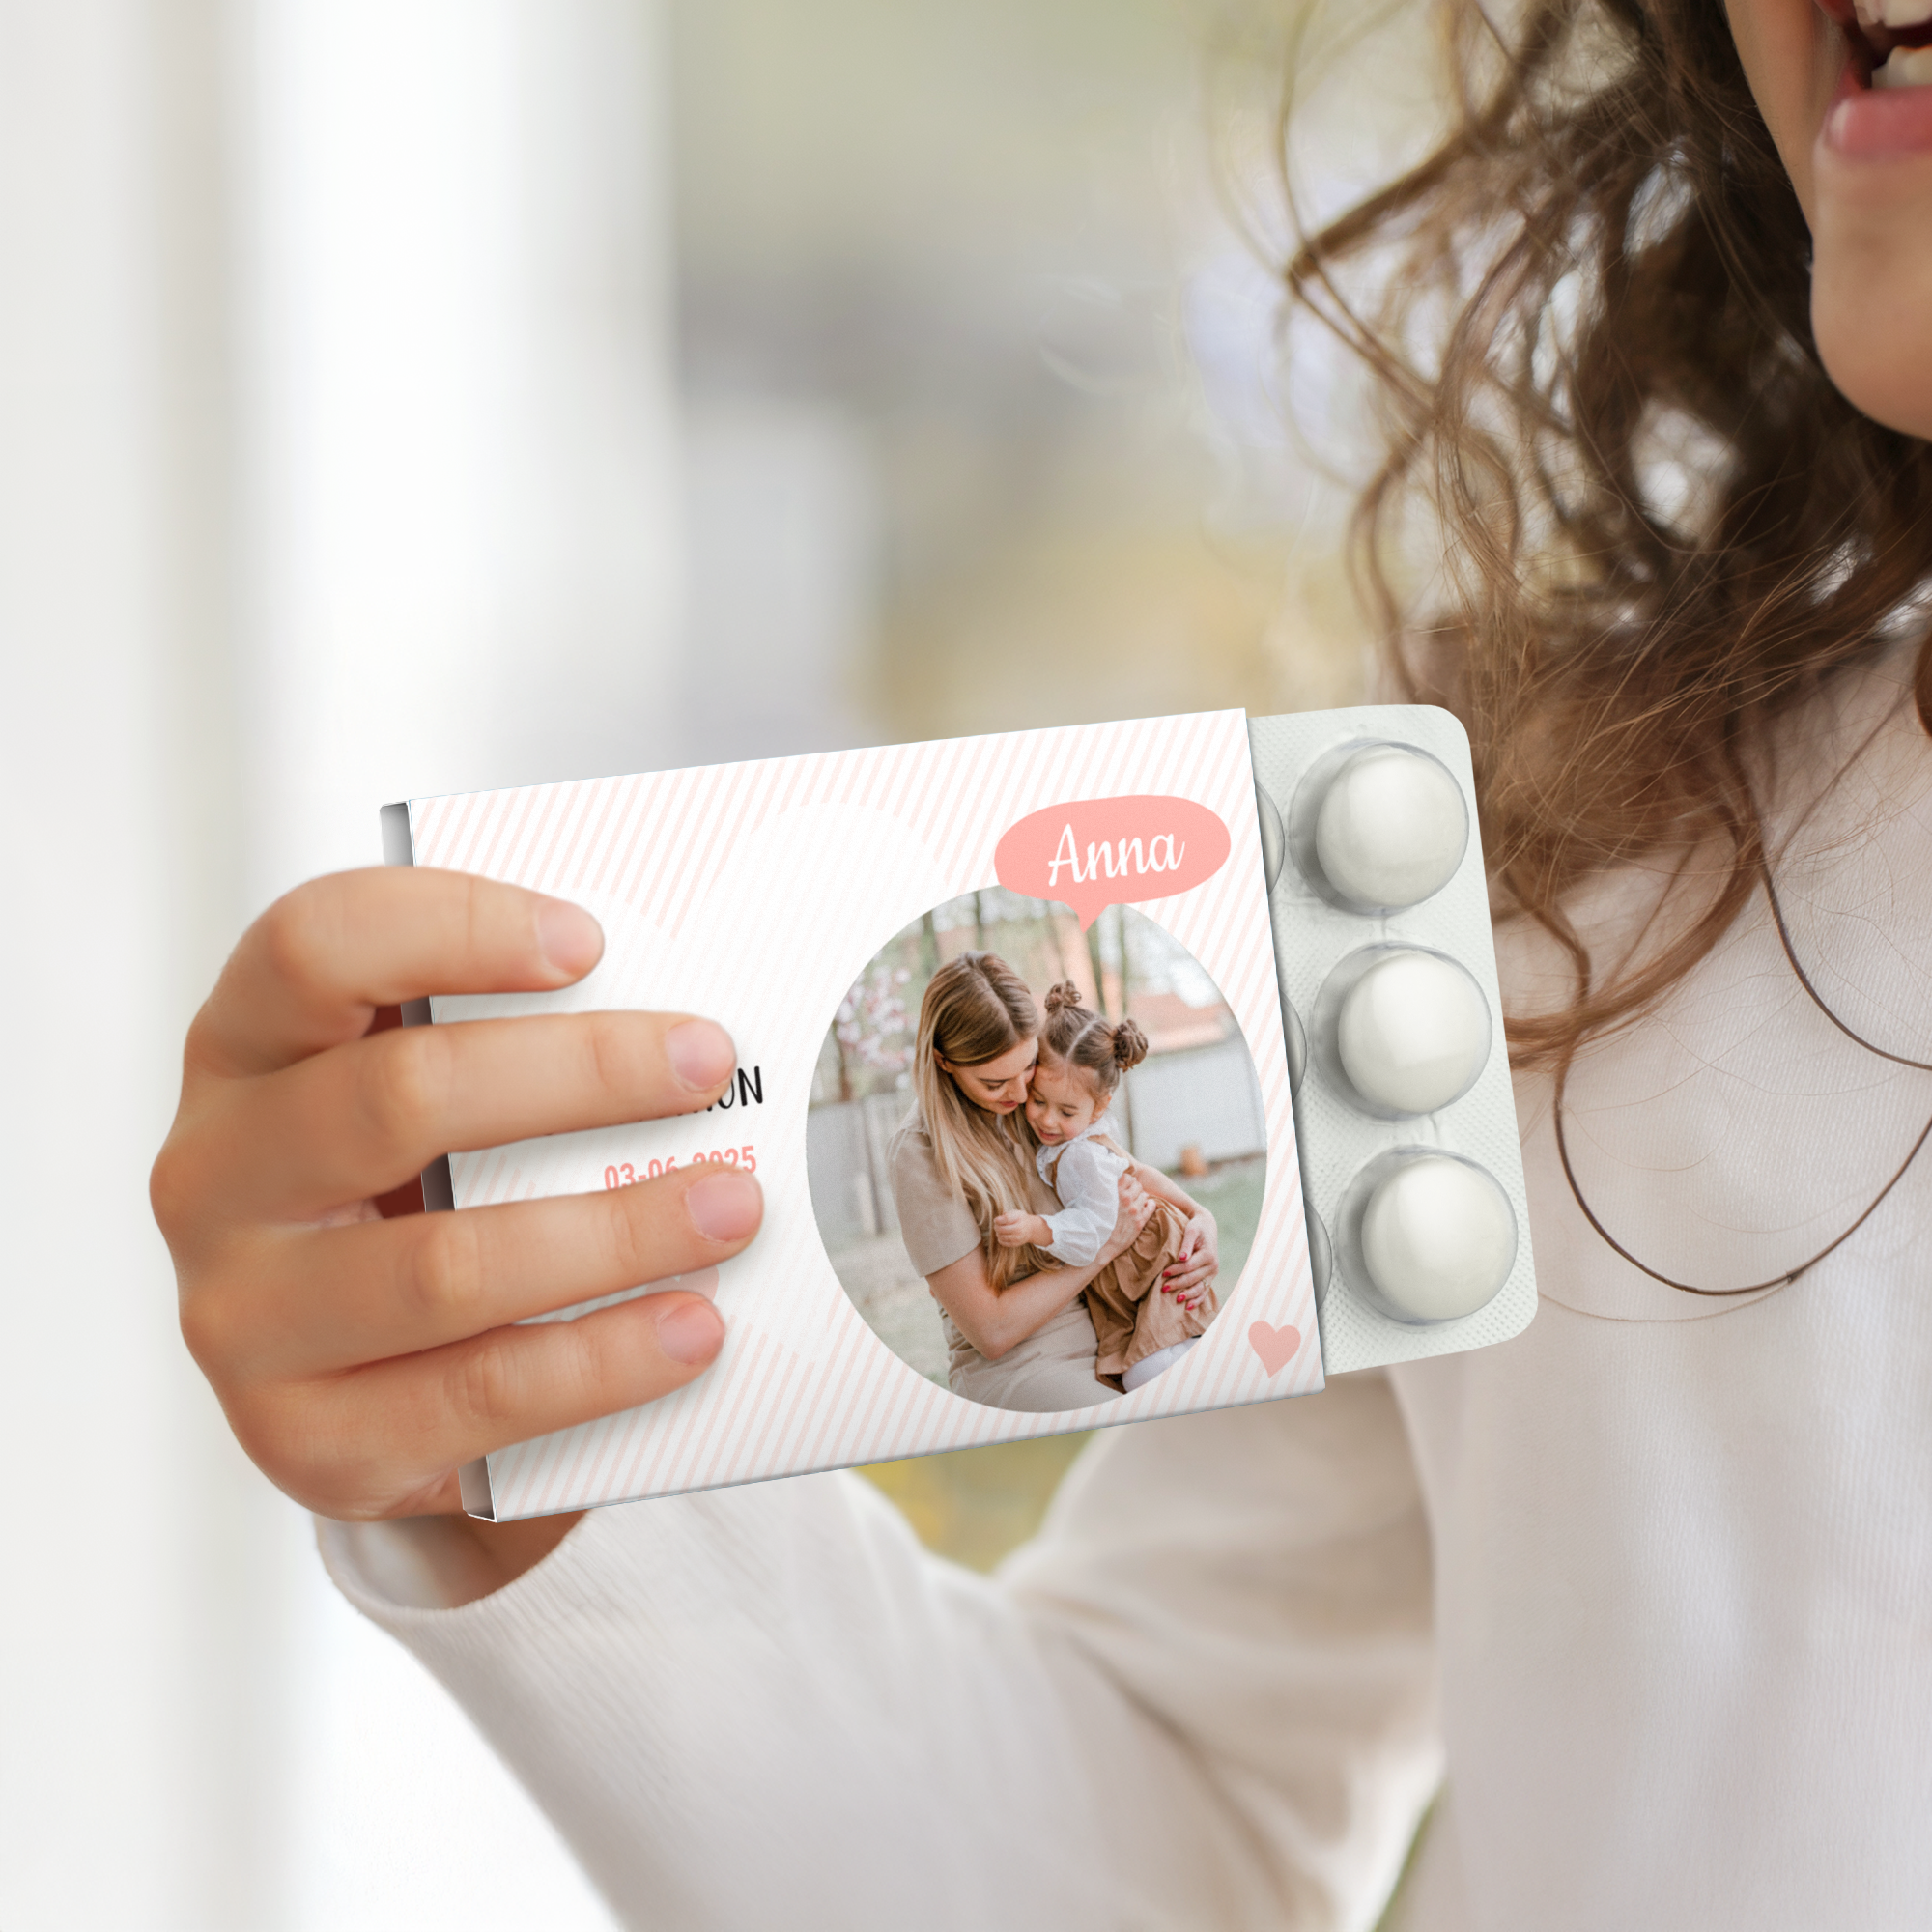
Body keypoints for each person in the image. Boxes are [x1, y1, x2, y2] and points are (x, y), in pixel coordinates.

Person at [150, 0, 1932, 1923]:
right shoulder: (1566, 909)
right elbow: (1171, 1816)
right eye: (1017, 1077)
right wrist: (529, 1430)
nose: (1041, 1095)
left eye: (1053, 1076)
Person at [884, 948, 1215, 1411]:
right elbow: (992, 1331)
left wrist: (1201, 1218)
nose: (1020, 1095)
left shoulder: (1042, 1105)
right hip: (1023, 1367)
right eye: (995, 1083)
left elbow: (1125, 1168)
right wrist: (1105, 1247)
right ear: (944, 1062)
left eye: (1027, 1068)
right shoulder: (920, 1153)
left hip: (1112, 1336)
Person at [992, 982, 1219, 1393]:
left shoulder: (1080, 1155)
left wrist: (1034, 1228)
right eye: (1038, 1100)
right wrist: (1196, 1212)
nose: (1047, 1121)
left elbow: (1092, 1233)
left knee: (1148, 1369)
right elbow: (1139, 1172)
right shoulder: (1074, 1137)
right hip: (1136, 1266)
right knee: (1148, 1360)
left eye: (1066, 1110)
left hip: (1153, 1265)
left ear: (1099, 1107)